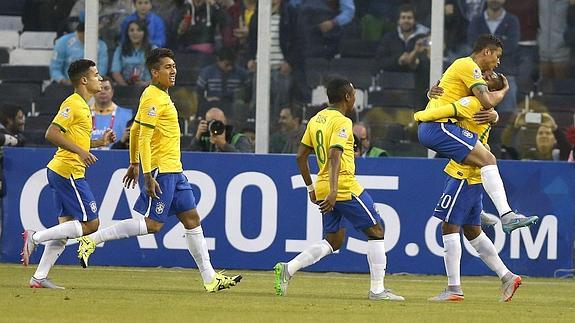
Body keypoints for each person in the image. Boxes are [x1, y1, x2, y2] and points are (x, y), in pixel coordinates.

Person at [76, 48, 242, 292]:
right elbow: (143, 135)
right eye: (167, 67)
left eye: (174, 66)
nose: (173, 71)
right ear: (154, 72)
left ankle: (210, 279)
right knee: (153, 225)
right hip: (161, 171)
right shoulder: (153, 97)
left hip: (175, 170)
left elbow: (134, 131)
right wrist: (145, 172)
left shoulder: (160, 95)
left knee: (192, 219)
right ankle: (92, 239)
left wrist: (133, 162)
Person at [273, 78, 404, 301]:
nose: (354, 98)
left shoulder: (316, 119)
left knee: (333, 241)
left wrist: (311, 188)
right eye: (353, 94)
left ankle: (289, 268)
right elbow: (335, 155)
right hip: (342, 185)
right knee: (377, 231)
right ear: (347, 97)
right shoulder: (342, 122)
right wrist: (334, 190)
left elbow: (300, 156)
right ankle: (377, 290)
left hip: (322, 184)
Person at [416, 34, 538, 234]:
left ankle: (473, 208)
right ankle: (507, 216)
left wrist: (495, 115)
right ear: (486, 51)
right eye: (497, 56)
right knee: (488, 159)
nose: (498, 62)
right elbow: (487, 101)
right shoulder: (469, 68)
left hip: (442, 128)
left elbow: (448, 90)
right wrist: (505, 89)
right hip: (439, 126)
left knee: (481, 164)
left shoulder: (469, 86)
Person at [417, 73, 523, 302]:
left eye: (488, 78)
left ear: (489, 91)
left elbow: (442, 113)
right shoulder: (477, 102)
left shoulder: (475, 104)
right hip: (470, 169)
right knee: (472, 229)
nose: (482, 77)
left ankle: (454, 288)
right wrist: (432, 92)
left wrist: (426, 107)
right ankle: (507, 276)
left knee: (449, 226)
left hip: (464, 170)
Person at [21, 59, 116, 289]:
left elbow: (75, 140)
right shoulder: (73, 103)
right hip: (68, 171)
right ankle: (34, 237)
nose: (100, 78)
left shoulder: (83, 105)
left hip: (63, 170)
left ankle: (39, 277)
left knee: (64, 231)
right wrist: (82, 151)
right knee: (91, 224)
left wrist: (98, 142)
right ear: (84, 80)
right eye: (95, 75)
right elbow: (51, 133)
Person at [467, 0, 520, 113]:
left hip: (505, 71)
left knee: (509, 90)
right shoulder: (476, 20)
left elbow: (511, 46)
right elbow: (473, 44)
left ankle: (506, 129)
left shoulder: (512, 21)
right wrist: (500, 40)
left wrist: (486, 50)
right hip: (478, 72)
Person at [375, 4, 430, 102]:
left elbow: (427, 61)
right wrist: (398, 61)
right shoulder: (389, 38)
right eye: (403, 17)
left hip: (417, 88)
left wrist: (414, 56)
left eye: (409, 18)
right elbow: (380, 62)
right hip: (392, 85)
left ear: (415, 21)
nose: (406, 20)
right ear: (398, 20)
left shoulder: (423, 38)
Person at [197, 47, 251, 121]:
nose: (230, 68)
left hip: (233, 104)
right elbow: (198, 93)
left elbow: (248, 92)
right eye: (227, 65)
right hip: (213, 105)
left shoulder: (242, 73)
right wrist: (207, 99)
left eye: (232, 64)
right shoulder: (207, 73)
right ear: (218, 60)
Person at [91, 77, 134, 148]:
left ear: (112, 92)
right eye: (99, 88)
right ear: (93, 92)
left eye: (106, 88)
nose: (103, 92)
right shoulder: (84, 114)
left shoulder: (128, 115)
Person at [111, 20, 156, 86]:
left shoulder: (153, 49)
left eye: (139, 30)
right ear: (127, 33)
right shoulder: (120, 49)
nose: (135, 33)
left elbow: (161, 74)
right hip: (125, 88)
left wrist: (145, 84)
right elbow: (115, 72)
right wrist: (127, 88)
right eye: (131, 30)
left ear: (144, 33)